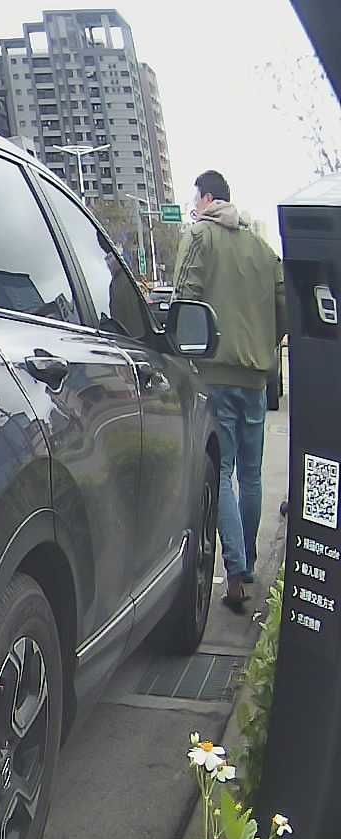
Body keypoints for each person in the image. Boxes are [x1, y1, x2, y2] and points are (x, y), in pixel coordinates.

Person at [174, 169, 287, 611]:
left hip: (214, 373)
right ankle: (249, 564)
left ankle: (235, 573)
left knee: (221, 471)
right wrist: (263, 343)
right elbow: (285, 305)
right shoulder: (262, 249)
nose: (193, 207)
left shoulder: (199, 237)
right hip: (256, 377)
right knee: (251, 475)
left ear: (207, 198)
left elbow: (184, 300)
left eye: (195, 199)